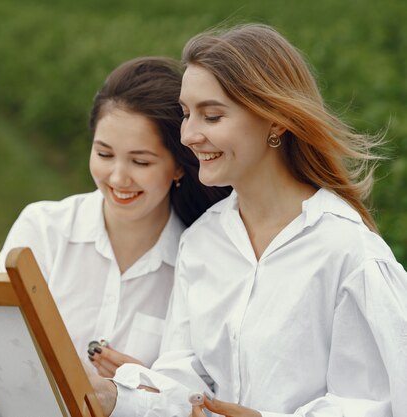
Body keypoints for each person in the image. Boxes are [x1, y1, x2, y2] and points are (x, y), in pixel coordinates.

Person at [92, 23, 407, 417]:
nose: (188, 135)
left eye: (211, 116)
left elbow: (378, 404)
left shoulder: (350, 253)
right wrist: (115, 396)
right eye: (186, 114)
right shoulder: (203, 241)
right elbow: (185, 382)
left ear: (275, 121)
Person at [0, 57, 230, 377]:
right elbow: (1, 353)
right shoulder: (43, 229)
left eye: (141, 162)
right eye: (104, 154)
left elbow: (199, 390)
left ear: (178, 166)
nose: (118, 178)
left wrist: (149, 387)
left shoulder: (199, 261)